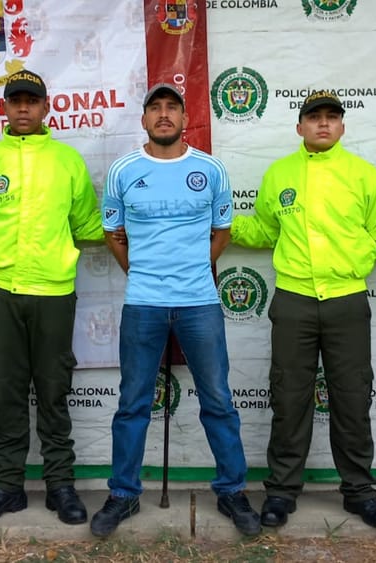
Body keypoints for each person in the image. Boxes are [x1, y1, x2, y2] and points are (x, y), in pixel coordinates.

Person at [90, 83, 261, 538]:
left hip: (199, 302)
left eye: (172, 108)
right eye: (155, 108)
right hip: (142, 302)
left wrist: (193, 269)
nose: (164, 115)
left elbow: (222, 230)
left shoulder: (210, 168)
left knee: (219, 400)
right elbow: (114, 233)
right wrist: (142, 271)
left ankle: (232, 490)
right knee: (132, 404)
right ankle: (123, 494)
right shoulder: (124, 170)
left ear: (186, 119)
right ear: (144, 119)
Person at [231, 90, 376, 529]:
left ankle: (359, 492)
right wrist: (219, 221)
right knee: (289, 397)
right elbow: (265, 229)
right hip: (293, 300)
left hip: (346, 300)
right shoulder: (280, 173)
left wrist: (351, 264)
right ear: (300, 126)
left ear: (342, 126)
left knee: (351, 397)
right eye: (314, 117)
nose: (323, 124)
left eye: (331, 118)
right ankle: (282, 492)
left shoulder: (364, 175)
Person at [0, 70, 103, 526]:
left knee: (54, 390)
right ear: (4, 107)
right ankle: (7, 487)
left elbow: (86, 225)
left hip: (55, 292)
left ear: (46, 107)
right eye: (15, 100)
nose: (23, 108)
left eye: (31, 101)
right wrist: (1, 264)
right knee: (7, 390)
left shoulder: (68, 162)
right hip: (2, 292)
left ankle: (60, 486)